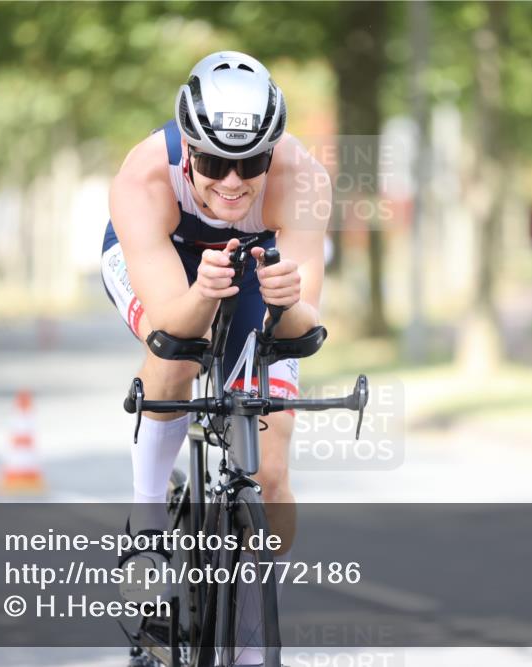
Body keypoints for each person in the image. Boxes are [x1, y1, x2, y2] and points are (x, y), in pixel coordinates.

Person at [101, 51, 330, 664]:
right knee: (178, 356)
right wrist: (202, 294)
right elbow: (171, 327)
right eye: (212, 163)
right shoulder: (144, 178)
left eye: (250, 163)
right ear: (188, 154)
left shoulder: (303, 179)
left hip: (255, 261)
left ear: (272, 153)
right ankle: (147, 521)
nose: (232, 182)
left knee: (271, 471)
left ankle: (252, 635)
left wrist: (289, 301)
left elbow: (305, 329)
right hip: (166, 259)